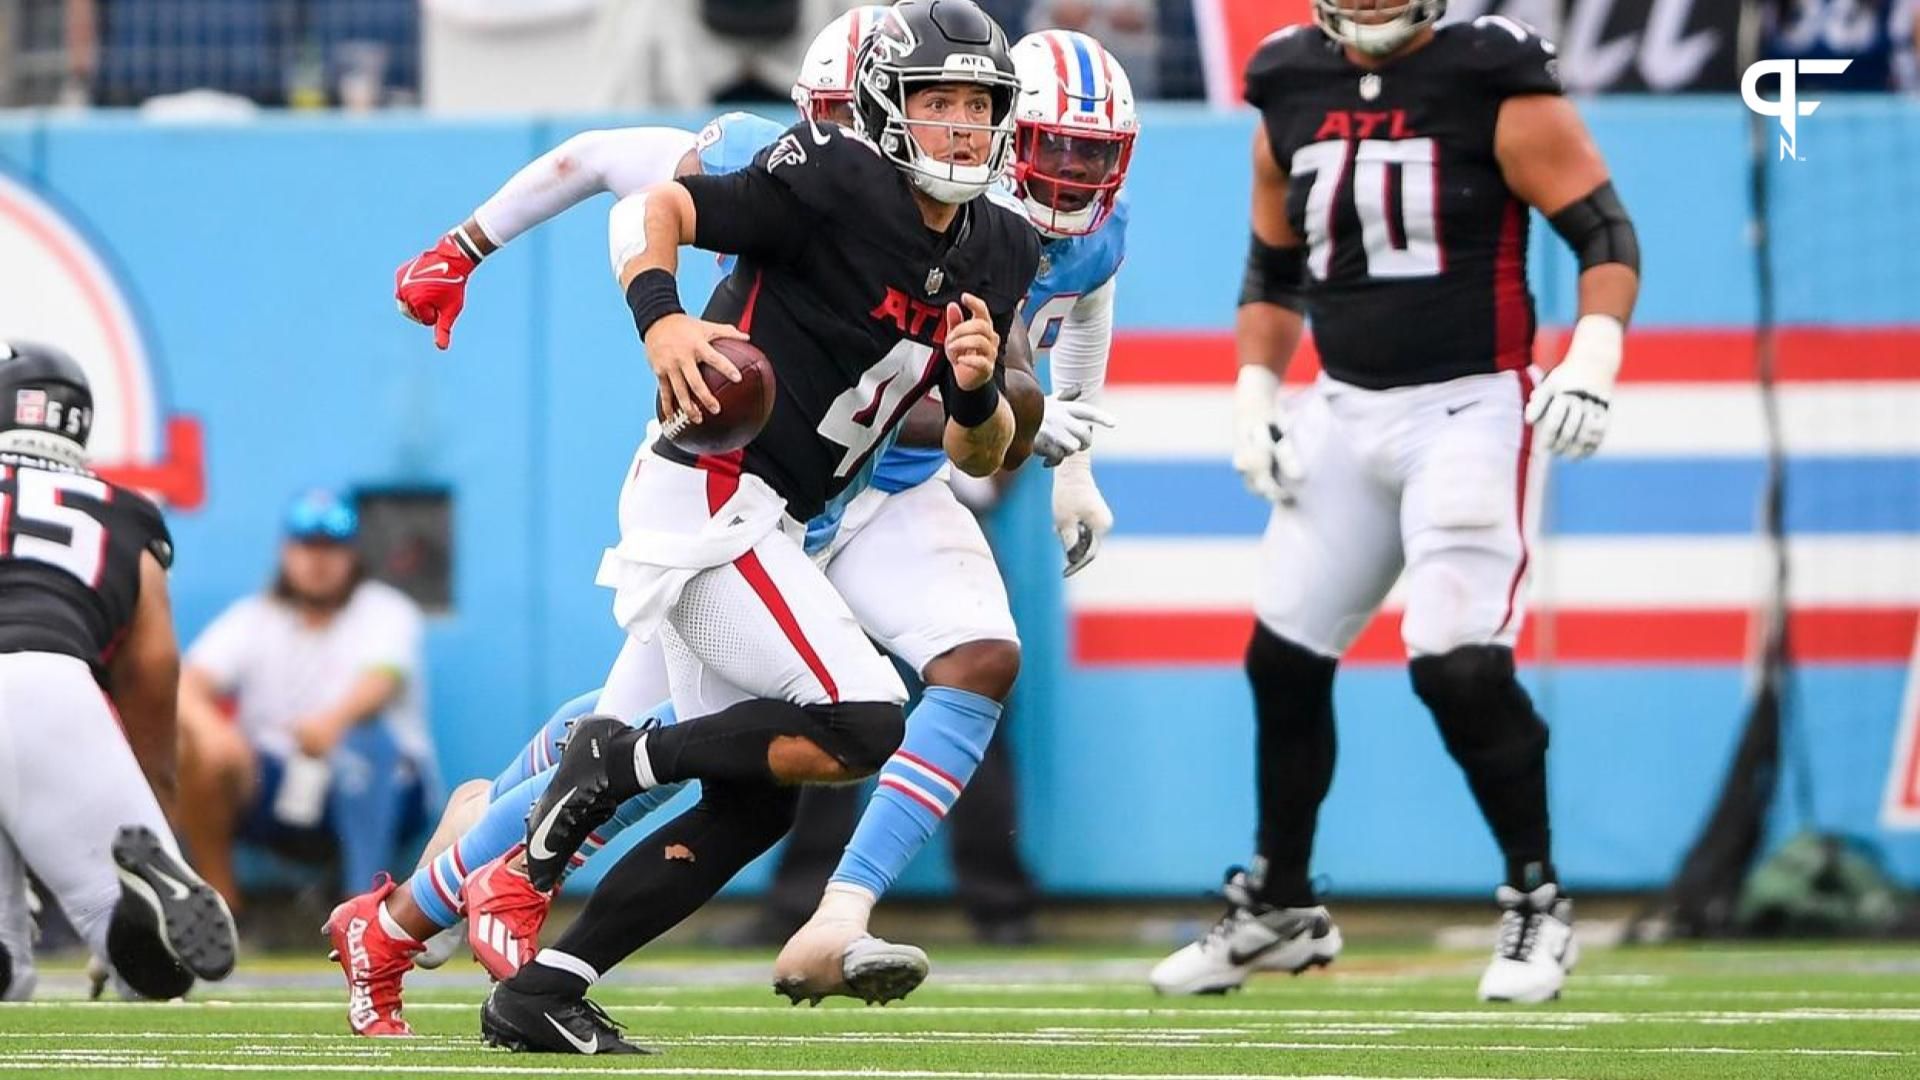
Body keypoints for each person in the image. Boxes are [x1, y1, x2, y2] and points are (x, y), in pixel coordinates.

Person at [357, 0, 1040, 1052]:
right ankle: (603, 769)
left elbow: (983, 456)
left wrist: (983, 396)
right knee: (865, 722)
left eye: (976, 106)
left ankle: (543, 991)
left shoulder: (1003, 246)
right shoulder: (832, 178)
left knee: (756, 797)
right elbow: (645, 210)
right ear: (877, 107)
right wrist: (664, 316)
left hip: (789, 512)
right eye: (935, 101)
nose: (957, 126)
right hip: (716, 493)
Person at [1149, 3, 1640, 1005]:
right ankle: (1282, 904)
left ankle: (1539, 902)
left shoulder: (1490, 70)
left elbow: (1602, 229)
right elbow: (1273, 266)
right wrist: (1253, 393)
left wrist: (1594, 354)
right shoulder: (1288, 76)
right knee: (1282, 659)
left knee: (1457, 664)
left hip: (1470, 405)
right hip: (1343, 406)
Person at [0, 340, 236, 1002]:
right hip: (47, 682)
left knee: (6, 970)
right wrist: (155, 809)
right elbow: (154, 672)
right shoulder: (121, 512)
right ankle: (133, 924)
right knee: (152, 975)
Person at [176, 489, 435, 910]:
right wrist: (215, 735)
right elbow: (187, 681)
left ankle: (364, 911)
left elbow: (381, 679)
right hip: (275, 781)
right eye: (306, 546)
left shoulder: (385, 610)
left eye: (331, 548)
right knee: (196, 749)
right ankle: (221, 909)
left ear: (352, 554)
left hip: (379, 786)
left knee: (367, 742)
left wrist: (332, 724)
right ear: (285, 551)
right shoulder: (254, 617)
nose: (318, 560)